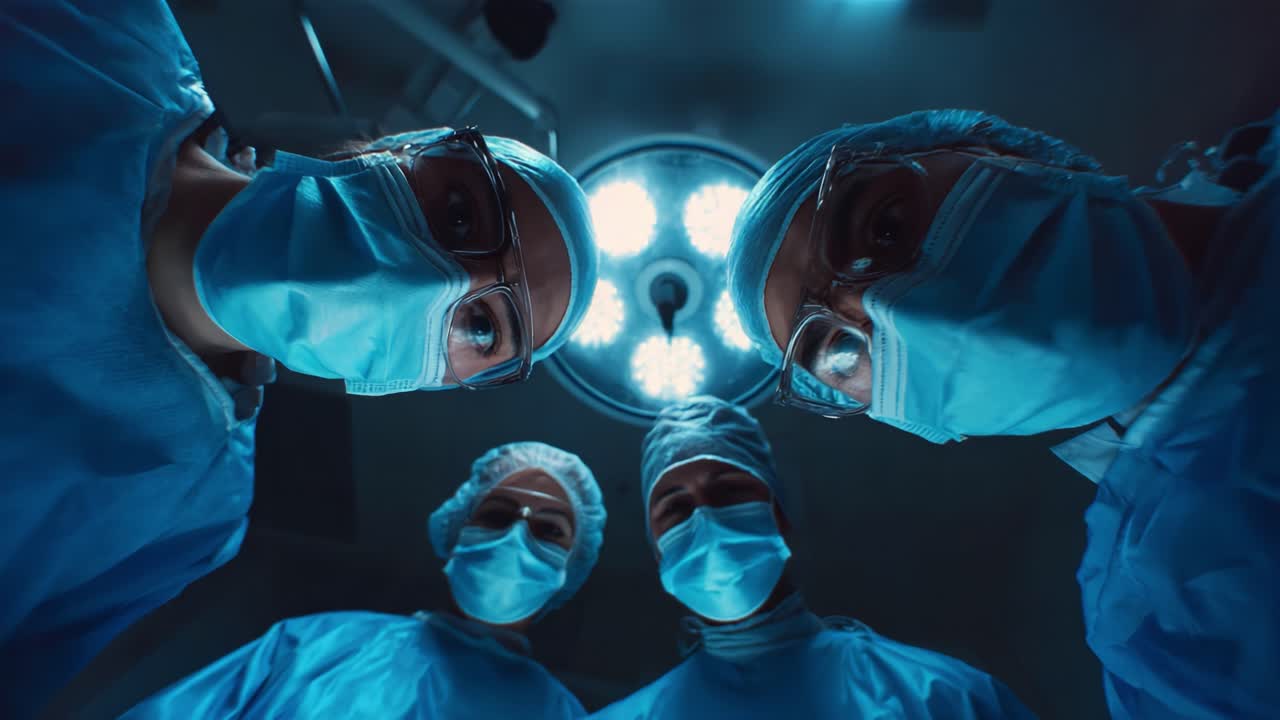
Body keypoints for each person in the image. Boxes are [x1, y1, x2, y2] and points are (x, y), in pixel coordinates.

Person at [0, 2, 598, 716]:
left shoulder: (191, 513)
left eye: (479, 326)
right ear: (404, 144)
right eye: (461, 215)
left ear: (439, 384)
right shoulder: (101, 36)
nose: (429, 279)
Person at [725, 109, 1279, 717]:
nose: (887, 308)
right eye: (841, 350)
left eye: (884, 226)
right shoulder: (1171, 621)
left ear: (988, 148)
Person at [591, 395, 1033, 719]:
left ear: (781, 515)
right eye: (676, 507)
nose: (706, 519)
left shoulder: (939, 698)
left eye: (728, 490)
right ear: (657, 552)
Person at [119, 441, 606, 719]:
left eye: (547, 530)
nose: (516, 538)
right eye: (497, 515)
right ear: (457, 531)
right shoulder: (316, 643)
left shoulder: (559, 714)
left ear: (570, 568)